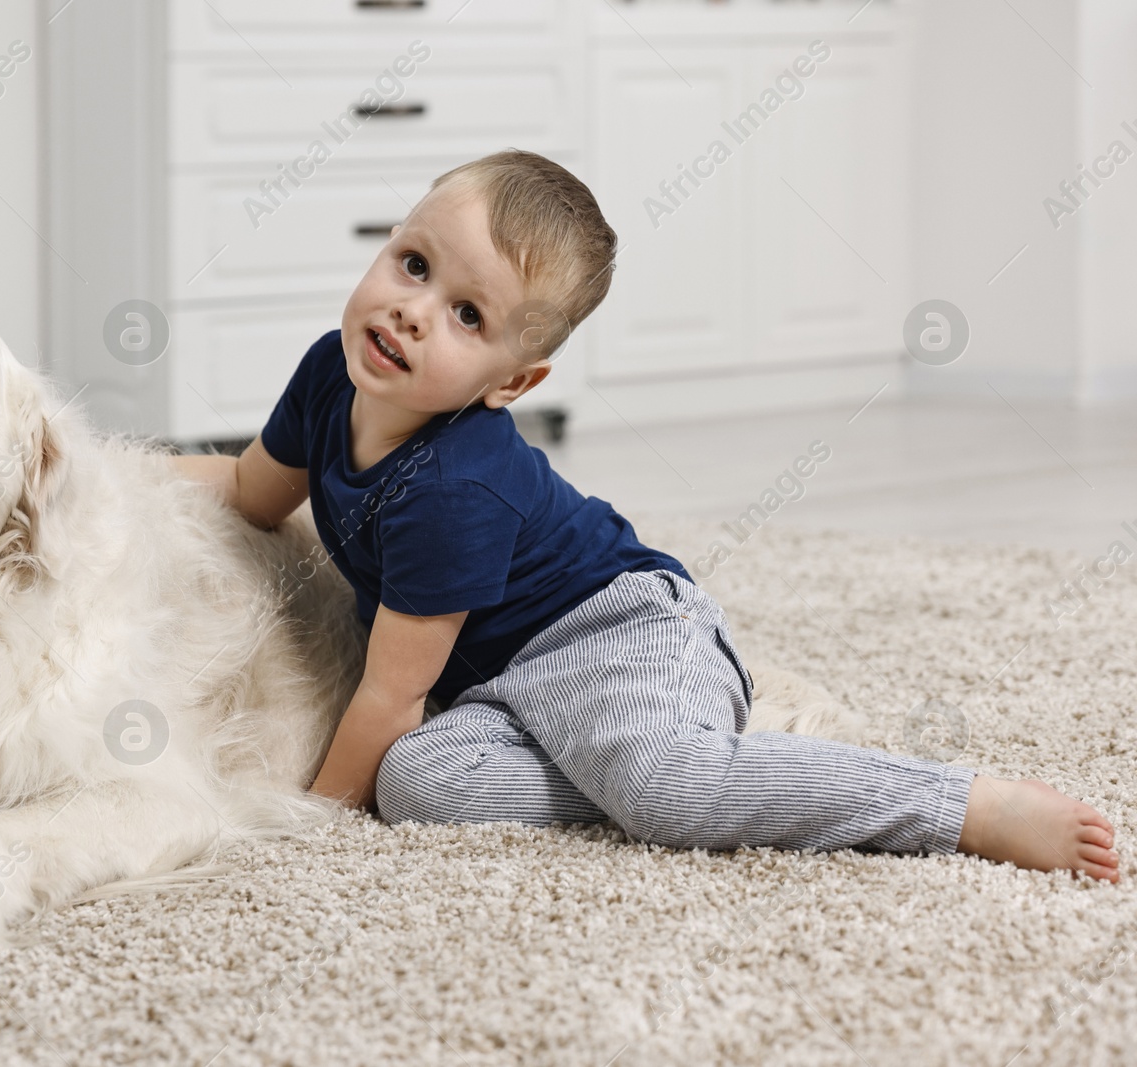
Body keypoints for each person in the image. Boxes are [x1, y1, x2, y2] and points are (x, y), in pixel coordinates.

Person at [170, 149, 1119, 882]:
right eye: (412, 264)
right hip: (503, 689)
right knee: (417, 783)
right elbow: (255, 491)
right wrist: (111, 468)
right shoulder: (328, 373)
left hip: (622, 631)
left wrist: (306, 836)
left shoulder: (453, 487)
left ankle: (962, 808)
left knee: (664, 793)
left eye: (469, 315)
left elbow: (388, 695)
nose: (413, 311)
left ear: (515, 381)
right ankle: (684, 765)